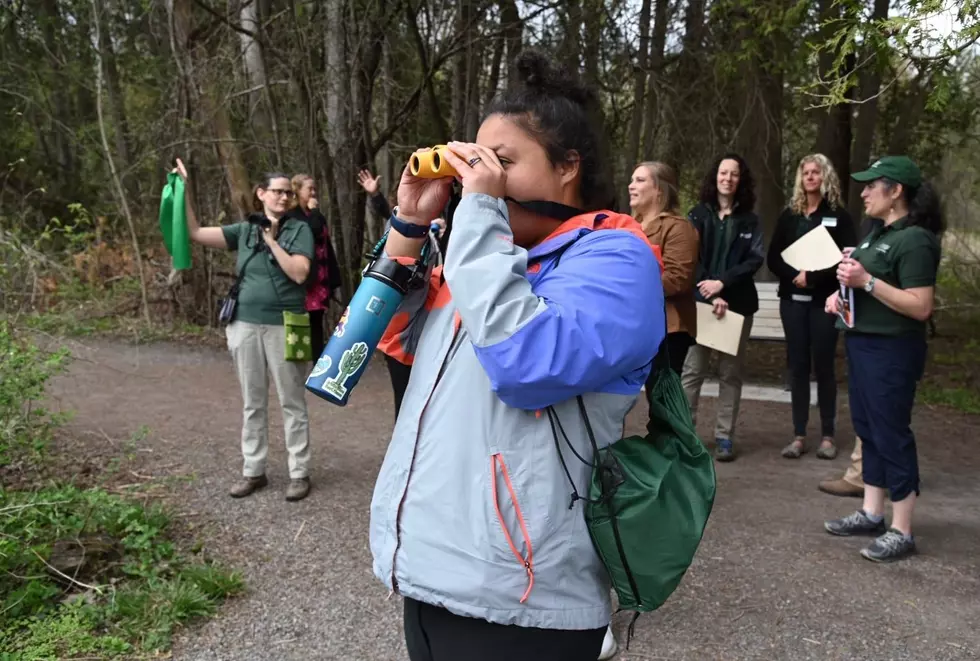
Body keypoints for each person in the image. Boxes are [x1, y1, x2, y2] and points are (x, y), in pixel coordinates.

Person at [371, 51, 665, 661]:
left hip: (524, 596)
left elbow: (526, 366)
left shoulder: (615, 259)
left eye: (503, 163)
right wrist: (407, 225)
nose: (483, 180)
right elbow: (391, 337)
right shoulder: (492, 259)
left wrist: (478, 213)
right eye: (478, 164)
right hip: (433, 568)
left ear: (568, 168)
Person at [172, 159, 315, 502]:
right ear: (261, 194)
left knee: (292, 401)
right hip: (244, 324)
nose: (283, 198)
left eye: (288, 193)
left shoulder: (300, 230)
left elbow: (299, 273)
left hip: (287, 323)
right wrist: (184, 191)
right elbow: (194, 233)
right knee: (253, 402)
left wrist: (273, 242)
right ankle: (254, 470)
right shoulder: (244, 230)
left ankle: (299, 473)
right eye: (276, 192)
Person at [823, 155, 943, 562]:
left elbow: (920, 305)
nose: (864, 191)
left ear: (896, 192)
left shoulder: (916, 240)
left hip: (893, 350)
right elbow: (863, 284)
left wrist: (866, 280)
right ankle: (872, 512)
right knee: (868, 428)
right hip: (863, 344)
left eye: (873, 185)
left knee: (892, 432)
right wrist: (840, 296)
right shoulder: (877, 234)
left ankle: (902, 528)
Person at [766, 154, 856, 460]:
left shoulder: (838, 216)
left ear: (825, 176)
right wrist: (795, 276)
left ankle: (828, 435)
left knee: (824, 366)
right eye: (806, 172)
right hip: (792, 301)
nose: (810, 177)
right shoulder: (789, 215)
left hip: (825, 303)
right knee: (798, 366)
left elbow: (846, 258)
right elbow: (773, 258)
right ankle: (799, 434)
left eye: (816, 172)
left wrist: (813, 277)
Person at [681, 153, 763, 462]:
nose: (727, 178)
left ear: (741, 180)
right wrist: (709, 290)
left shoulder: (750, 221)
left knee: (730, 373)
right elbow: (690, 256)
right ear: (715, 177)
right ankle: (686, 435)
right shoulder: (697, 215)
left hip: (737, 305)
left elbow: (754, 260)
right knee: (692, 371)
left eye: (734, 174)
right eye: (723, 172)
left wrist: (723, 285)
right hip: (701, 304)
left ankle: (724, 437)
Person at [629, 161, 699, 377]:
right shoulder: (626, 226)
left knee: (663, 401)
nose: (631, 186)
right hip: (632, 322)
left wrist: (626, 284)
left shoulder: (678, 227)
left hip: (669, 327)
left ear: (659, 189)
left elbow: (677, 279)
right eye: (632, 180)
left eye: (640, 180)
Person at [286, 173, 342, 360]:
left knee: (317, 321)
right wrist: (315, 212)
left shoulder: (315, 214)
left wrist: (334, 278)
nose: (313, 192)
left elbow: (326, 244)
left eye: (314, 188)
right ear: (297, 191)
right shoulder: (292, 216)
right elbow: (312, 232)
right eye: (309, 188)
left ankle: (317, 363)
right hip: (305, 277)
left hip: (321, 278)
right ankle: (300, 358)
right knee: (303, 320)